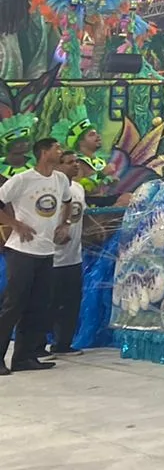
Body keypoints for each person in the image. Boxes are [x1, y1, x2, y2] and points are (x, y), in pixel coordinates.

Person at [0, 137, 68, 373]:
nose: (60, 151)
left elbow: (67, 202)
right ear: (43, 152)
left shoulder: (60, 180)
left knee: (37, 306)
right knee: (13, 305)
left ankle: (24, 357)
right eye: (56, 148)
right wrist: (14, 224)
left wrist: (64, 223)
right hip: (22, 251)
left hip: (46, 251)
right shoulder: (23, 179)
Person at [45, 151, 85, 357]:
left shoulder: (78, 188)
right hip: (53, 259)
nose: (76, 165)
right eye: (70, 163)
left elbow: (80, 218)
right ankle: (37, 345)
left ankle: (63, 343)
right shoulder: (51, 189)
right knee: (48, 304)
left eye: (76, 162)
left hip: (74, 258)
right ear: (58, 167)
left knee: (71, 303)